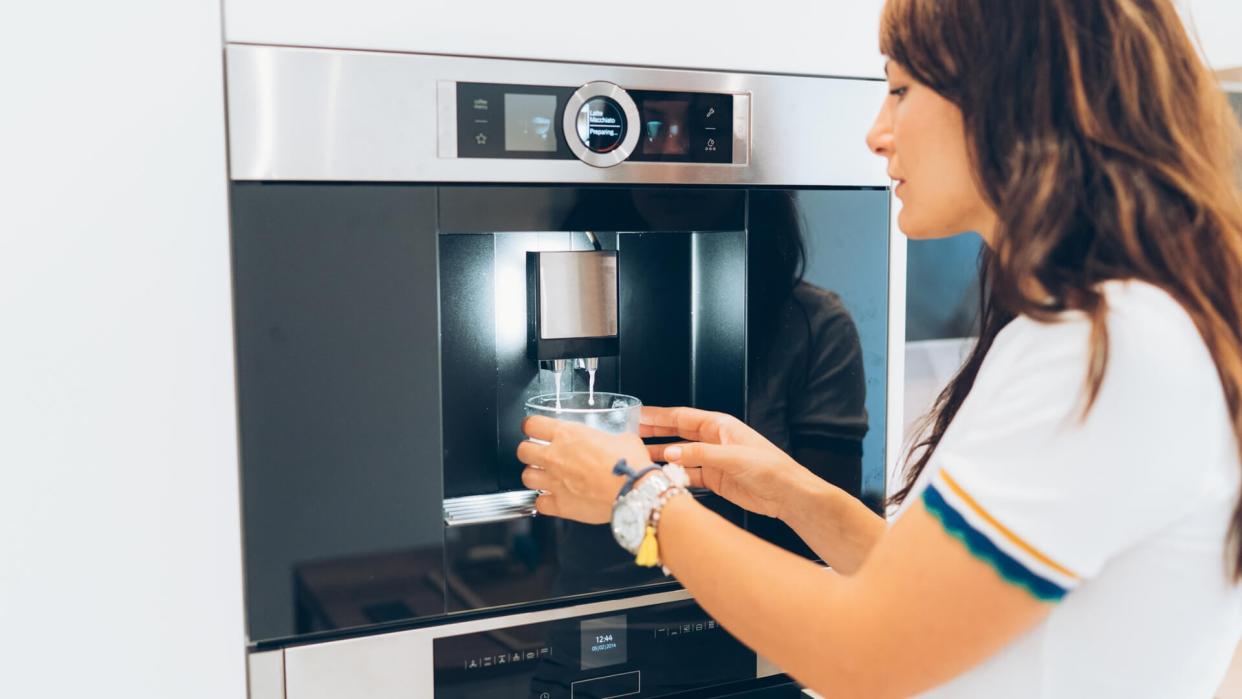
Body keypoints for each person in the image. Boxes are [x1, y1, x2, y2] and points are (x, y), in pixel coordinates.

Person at [517, 0, 1242, 695]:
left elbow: (862, 653)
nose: (876, 131)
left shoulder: (1107, 347)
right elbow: (933, 603)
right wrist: (792, 493)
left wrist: (635, 496)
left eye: (900, 89)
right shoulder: (1124, 325)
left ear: (1012, 95)